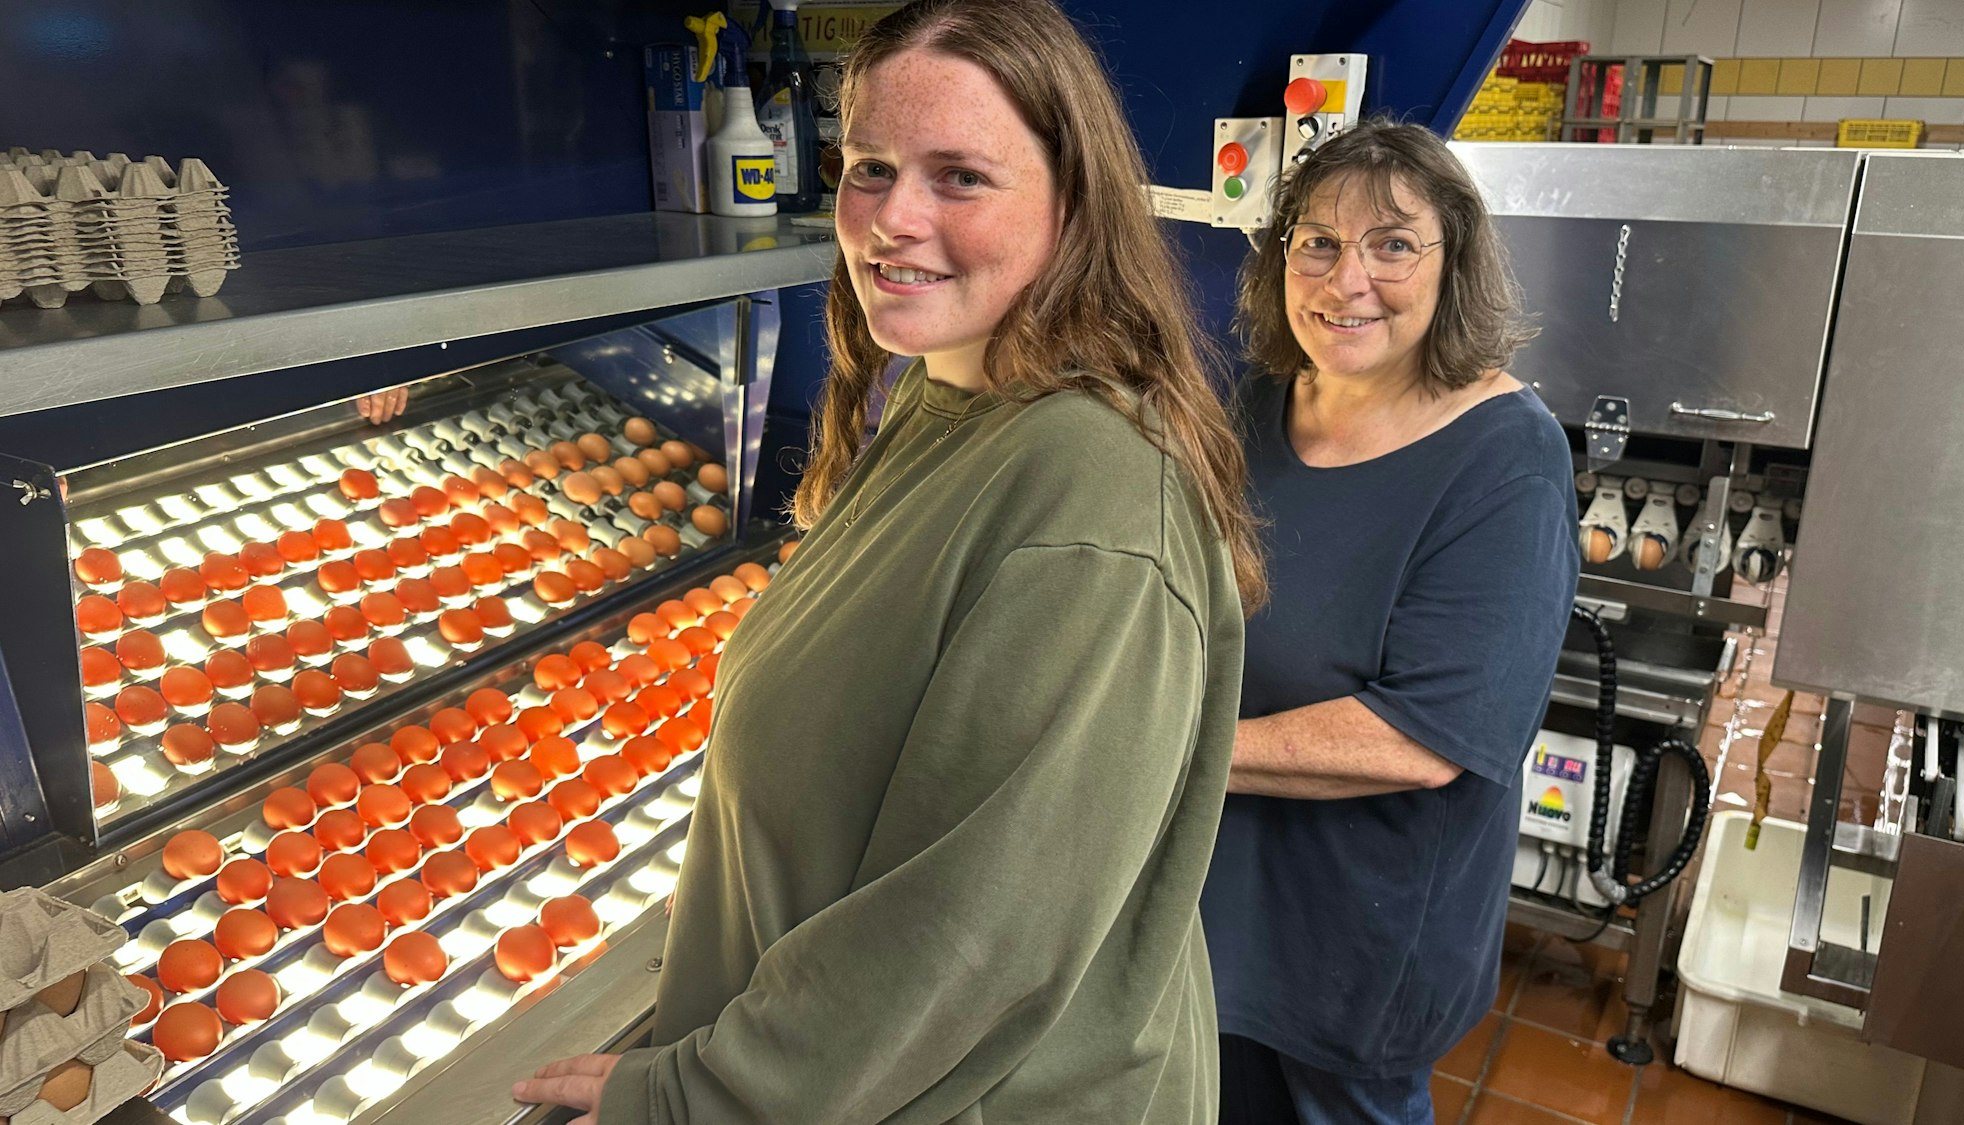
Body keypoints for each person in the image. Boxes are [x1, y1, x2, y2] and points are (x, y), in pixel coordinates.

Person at [514, 1, 1264, 1121]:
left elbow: (969, 934)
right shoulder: (944, 394)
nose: (889, 219)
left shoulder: (1091, 502)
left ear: (1073, 203)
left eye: (959, 176)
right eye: (868, 166)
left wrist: (692, 1097)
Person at [1199, 121, 1580, 1125]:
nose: (1344, 277)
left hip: (1352, 943)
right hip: (1209, 906)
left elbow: (1424, 739)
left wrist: (1163, 752)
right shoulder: (1256, 405)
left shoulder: (1505, 460)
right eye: (1315, 241)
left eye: (1391, 245)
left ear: (1452, 265)